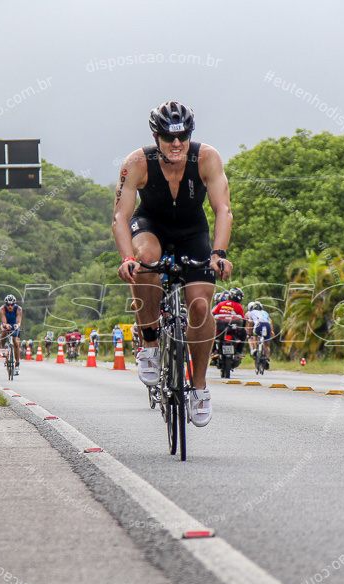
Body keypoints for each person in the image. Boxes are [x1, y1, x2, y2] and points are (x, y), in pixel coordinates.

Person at [112, 101, 233, 427]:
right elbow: (120, 216)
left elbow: (223, 209)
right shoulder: (137, 162)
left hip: (193, 232)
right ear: (156, 136)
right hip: (150, 227)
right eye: (168, 137)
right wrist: (126, 259)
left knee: (199, 306)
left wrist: (218, 253)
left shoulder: (207, 158)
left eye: (183, 136)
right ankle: (150, 342)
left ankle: (199, 388)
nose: (176, 143)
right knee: (146, 261)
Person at [211, 287, 247, 362]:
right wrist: (241, 329)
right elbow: (243, 320)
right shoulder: (238, 306)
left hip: (220, 330)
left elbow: (213, 314)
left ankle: (214, 351)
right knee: (244, 334)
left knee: (211, 335)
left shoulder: (221, 304)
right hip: (233, 330)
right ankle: (239, 351)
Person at [0, 295, 23, 371]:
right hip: (6, 323)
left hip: (14, 324)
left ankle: (17, 364)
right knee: (4, 330)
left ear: (14, 304)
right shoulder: (2, 309)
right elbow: (3, 321)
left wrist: (17, 325)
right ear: (5, 304)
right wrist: (6, 325)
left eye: (12, 305)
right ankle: (2, 347)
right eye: (8, 305)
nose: (10, 307)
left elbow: (19, 321)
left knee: (16, 343)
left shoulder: (18, 309)